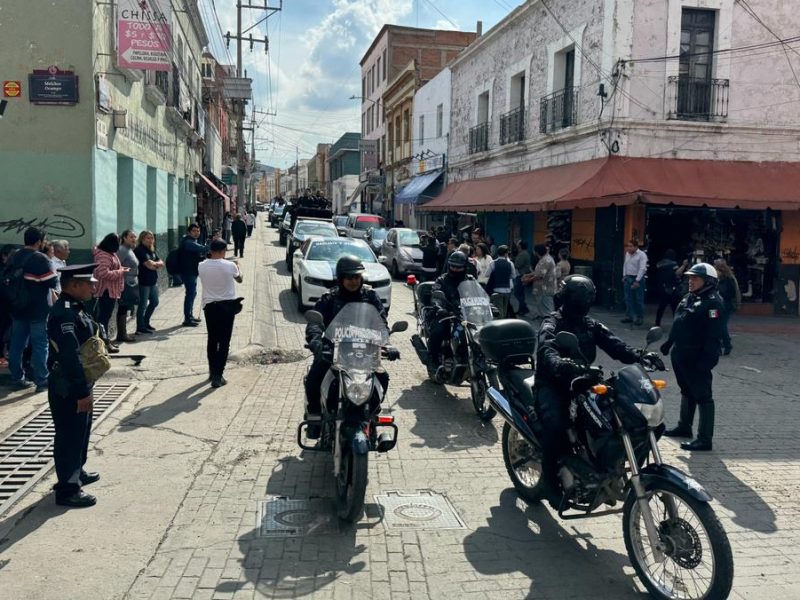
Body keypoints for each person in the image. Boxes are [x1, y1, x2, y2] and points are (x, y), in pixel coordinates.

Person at [535, 275, 662, 505]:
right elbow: (546, 347)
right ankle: (550, 483)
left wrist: (640, 356)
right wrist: (558, 363)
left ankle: (605, 466)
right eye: (580, 299)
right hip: (554, 384)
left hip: (584, 381)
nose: (583, 303)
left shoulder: (590, 324)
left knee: (616, 419)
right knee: (555, 427)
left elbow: (615, 345)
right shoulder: (552, 322)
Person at [304, 255, 399, 438]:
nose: (354, 281)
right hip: (334, 351)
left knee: (383, 377)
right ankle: (314, 416)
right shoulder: (330, 297)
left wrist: (387, 344)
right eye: (349, 277)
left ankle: (372, 413)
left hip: (364, 351)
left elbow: (381, 323)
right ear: (341, 278)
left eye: (356, 277)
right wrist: (315, 340)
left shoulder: (370, 296)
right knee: (314, 376)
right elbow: (315, 322)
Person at [47, 263, 103, 508]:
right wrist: (81, 391)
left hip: (79, 380)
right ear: (74, 285)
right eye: (88, 284)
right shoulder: (64, 315)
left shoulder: (76, 307)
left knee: (81, 430)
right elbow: (69, 357)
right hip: (68, 384)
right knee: (69, 435)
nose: (93, 287)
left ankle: (77, 471)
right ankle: (68, 489)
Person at [661, 263, 726, 451]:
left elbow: (714, 335)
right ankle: (684, 426)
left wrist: (707, 360)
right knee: (686, 390)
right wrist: (669, 342)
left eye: (695, 278)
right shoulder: (689, 297)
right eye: (690, 277)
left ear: (709, 281)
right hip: (681, 353)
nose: (691, 281)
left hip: (697, 355)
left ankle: (705, 439)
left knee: (703, 396)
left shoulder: (713, 303)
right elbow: (679, 321)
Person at [6, 227, 58, 391]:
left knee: (17, 344)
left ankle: (17, 378)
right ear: (39, 242)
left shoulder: (14, 255)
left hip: (17, 308)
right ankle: (41, 380)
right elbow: (52, 282)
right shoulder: (40, 258)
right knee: (40, 345)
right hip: (37, 309)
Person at [199, 239, 244, 387]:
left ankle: (212, 371)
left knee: (212, 340)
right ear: (223, 251)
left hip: (209, 306)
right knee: (224, 341)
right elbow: (240, 279)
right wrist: (238, 266)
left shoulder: (201, 265)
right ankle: (218, 376)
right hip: (226, 307)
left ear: (210, 250)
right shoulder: (230, 265)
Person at [426, 251, 474, 375]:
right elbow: (436, 296)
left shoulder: (470, 280)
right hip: (447, 314)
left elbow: (479, 294)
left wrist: (489, 306)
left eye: (459, 267)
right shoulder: (442, 280)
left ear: (464, 267)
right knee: (438, 330)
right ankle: (433, 359)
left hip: (466, 315)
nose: (455, 269)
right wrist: (439, 307)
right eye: (453, 266)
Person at [92, 233, 128, 350]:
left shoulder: (110, 253)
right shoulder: (103, 255)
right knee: (103, 318)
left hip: (111, 291)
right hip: (106, 291)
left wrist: (120, 269)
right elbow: (103, 273)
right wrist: (121, 272)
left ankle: (105, 342)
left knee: (105, 317)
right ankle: (104, 343)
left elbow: (113, 267)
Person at [178, 223, 208, 327]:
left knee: (192, 294)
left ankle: (190, 316)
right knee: (190, 294)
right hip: (188, 272)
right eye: (194, 231)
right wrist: (213, 243)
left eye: (198, 231)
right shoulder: (188, 242)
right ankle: (187, 319)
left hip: (192, 271)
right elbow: (203, 249)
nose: (196, 233)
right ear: (189, 232)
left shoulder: (192, 241)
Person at [134, 230, 164, 334]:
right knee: (142, 305)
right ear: (142, 239)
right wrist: (155, 265)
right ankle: (140, 327)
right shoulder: (139, 250)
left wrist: (155, 264)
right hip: (143, 282)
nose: (151, 240)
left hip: (152, 281)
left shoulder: (151, 250)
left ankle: (146, 322)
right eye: (148, 238)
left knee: (154, 302)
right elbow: (149, 265)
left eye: (152, 238)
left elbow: (161, 262)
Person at [116, 229, 139, 344]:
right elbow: (115, 265)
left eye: (135, 237)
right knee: (123, 307)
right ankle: (122, 334)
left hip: (131, 282)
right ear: (124, 238)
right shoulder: (122, 250)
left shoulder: (130, 249)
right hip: (124, 283)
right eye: (131, 237)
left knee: (125, 307)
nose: (134, 239)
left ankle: (123, 333)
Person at [654, 249, 688, 327]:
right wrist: (683, 265)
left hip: (663, 287)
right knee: (675, 307)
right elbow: (677, 273)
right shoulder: (673, 264)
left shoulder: (660, 264)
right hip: (672, 288)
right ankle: (676, 323)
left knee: (661, 307)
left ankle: (657, 323)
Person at [714, 259, 740, 356]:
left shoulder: (728, 280)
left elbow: (729, 294)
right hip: (714, 306)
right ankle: (719, 345)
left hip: (725, 306)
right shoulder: (715, 279)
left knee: (721, 325)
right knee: (714, 324)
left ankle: (726, 344)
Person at [525, 244, 558, 319]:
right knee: (543, 307)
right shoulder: (545, 259)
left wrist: (528, 280)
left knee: (547, 310)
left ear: (536, 252)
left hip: (545, 289)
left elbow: (540, 275)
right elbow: (538, 272)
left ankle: (550, 323)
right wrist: (528, 275)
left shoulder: (545, 260)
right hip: (543, 289)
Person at [484, 245, 516, 318]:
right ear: (506, 253)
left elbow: (486, 274)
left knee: (499, 310)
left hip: (496, 290)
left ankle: (500, 322)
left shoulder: (493, 263)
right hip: (507, 290)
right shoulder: (510, 263)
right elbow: (513, 276)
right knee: (505, 310)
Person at [622, 239, 648, 326]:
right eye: (628, 246)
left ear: (636, 247)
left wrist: (637, 280)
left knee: (638, 299)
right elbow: (625, 265)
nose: (628, 248)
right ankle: (629, 316)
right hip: (628, 278)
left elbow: (642, 268)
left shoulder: (642, 255)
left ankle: (640, 317)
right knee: (628, 298)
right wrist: (624, 275)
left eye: (631, 246)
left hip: (638, 279)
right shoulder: (627, 254)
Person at [513, 241, 532, 316]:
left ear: (520, 246)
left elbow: (517, 265)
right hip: (522, 274)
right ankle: (522, 308)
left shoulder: (522, 254)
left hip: (521, 275)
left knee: (517, 292)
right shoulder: (525, 253)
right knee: (520, 293)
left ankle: (524, 308)